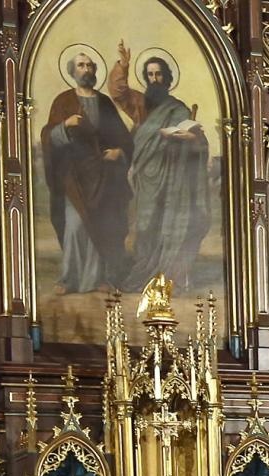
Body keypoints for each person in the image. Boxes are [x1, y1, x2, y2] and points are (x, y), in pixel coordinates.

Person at [108, 42, 210, 288]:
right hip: (145, 175)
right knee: (145, 225)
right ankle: (145, 269)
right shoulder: (141, 104)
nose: (154, 79)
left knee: (168, 223)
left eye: (158, 74)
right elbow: (118, 93)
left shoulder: (179, 109)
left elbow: (198, 140)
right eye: (150, 74)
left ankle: (168, 272)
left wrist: (189, 138)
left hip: (172, 177)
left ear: (167, 77)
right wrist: (123, 65)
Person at [42, 48, 133, 293]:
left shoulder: (104, 103)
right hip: (74, 176)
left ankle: (99, 278)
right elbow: (48, 135)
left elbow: (123, 138)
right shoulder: (63, 101)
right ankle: (69, 279)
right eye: (81, 65)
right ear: (73, 72)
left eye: (90, 65)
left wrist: (119, 152)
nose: (86, 70)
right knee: (74, 226)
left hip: (103, 175)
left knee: (102, 224)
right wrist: (65, 125)